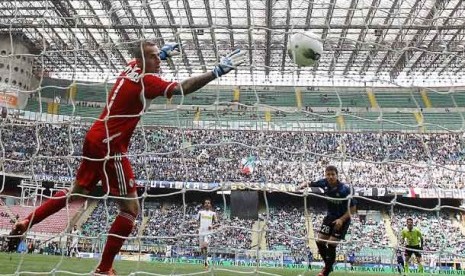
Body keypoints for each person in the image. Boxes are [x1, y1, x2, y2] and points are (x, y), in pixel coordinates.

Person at [8, 40, 245, 275]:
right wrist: (215, 72)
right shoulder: (147, 81)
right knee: (130, 209)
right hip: (110, 145)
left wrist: (160, 55)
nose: (158, 61)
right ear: (142, 60)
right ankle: (104, 269)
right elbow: (182, 88)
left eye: (157, 55)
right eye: (153, 57)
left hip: (95, 137)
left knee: (76, 191)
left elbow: (147, 61)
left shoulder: (131, 67)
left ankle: (26, 222)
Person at [299, 165, 357, 276]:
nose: (330, 177)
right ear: (326, 175)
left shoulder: (345, 189)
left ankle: (325, 271)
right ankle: (329, 266)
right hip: (330, 217)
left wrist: (341, 219)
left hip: (343, 219)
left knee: (331, 244)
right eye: (328, 174)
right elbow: (313, 183)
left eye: (332, 174)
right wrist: (304, 184)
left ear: (337, 175)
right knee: (320, 241)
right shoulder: (324, 183)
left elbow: (353, 208)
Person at [197, 198, 218, 270]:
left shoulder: (213, 213)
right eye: (206, 203)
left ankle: (206, 263)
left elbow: (217, 223)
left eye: (208, 203)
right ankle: (205, 262)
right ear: (204, 204)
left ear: (210, 204)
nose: (207, 204)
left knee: (205, 246)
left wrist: (212, 226)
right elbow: (197, 221)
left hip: (208, 233)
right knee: (202, 249)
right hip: (201, 232)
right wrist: (196, 227)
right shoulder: (200, 212)